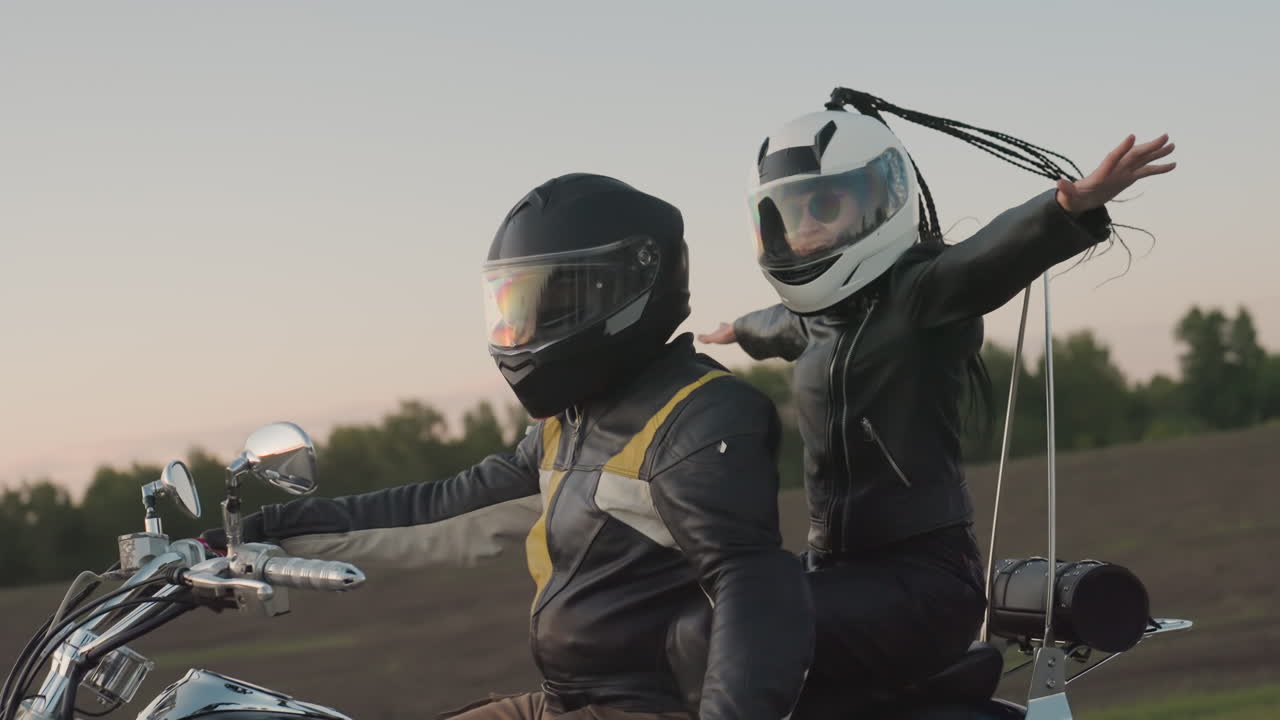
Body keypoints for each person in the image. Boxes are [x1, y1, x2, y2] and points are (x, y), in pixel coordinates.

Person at [202, 173, 814, 720]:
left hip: (639, 707)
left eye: (549, 301)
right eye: (512, 305)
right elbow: (442, 509)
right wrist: (260, 532)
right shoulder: (572, 421)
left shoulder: (698, 417)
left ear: (628, 284)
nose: (522, 329)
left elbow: (752, 584)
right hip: (562, 701)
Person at [698, 89, 1176, 717]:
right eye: (791, 213)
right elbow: (773, 324)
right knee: (693, 616)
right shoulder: (815, 321)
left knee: (741, 630)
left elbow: (985, 259)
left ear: (881, 197)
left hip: (919, 579)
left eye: (826, 204)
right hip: (834, 568)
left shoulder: (921, 297)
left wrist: (1065, 207)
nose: (806, 225)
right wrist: (732, 330)